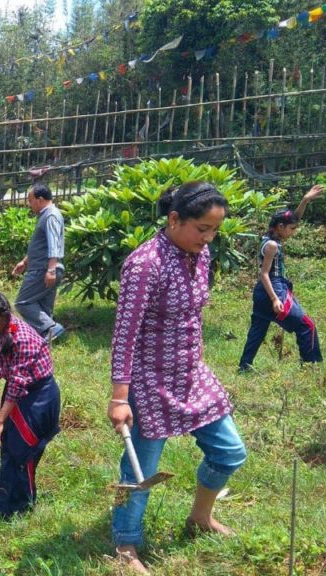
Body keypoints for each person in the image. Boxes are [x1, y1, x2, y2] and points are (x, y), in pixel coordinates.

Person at [109, 181, 248, 574]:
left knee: (230, 450)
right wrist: (120, 397)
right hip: (149, 381)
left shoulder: (198, 256)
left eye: (214, 230)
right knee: (140, 469)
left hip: (190, 371)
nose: (209, 238)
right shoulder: (144, 264)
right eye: (202, 229)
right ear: (174, 220)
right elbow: (124, 334)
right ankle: (125, 543)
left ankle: (200, 517)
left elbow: (192, 313)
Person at [0, 288, 61, 526]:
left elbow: (18, 385)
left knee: (21, 453)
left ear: (1, 318)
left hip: (37, 398)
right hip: (17, 396)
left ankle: (18, 507)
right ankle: (2, 504)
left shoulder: (23, 339)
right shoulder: (4, 334)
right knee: (9, 449)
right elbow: (1, 366)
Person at [238, 185, 325, 372]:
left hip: (261, 293)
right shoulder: (272, 246)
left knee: (257, 331)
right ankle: (310, 366)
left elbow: (293, 219)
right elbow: (264, 274)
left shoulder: (270, 237)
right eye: (292, 228)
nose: (294, 231)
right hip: (273, 289)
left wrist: (305, 200)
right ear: (280, 227)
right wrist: (275, 298)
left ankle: (244, 367)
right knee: (307, 325)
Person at [12, 182, 66, 341]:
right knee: (43, 306)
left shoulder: (51, 215)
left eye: (30, 201)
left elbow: (54, 244)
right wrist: (25, 262)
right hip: (43, 267)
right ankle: (44, 339)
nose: (30, 205)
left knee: (23, 302)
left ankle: (52, 328)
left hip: (43, 269)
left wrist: (50, 270)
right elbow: (42, 244)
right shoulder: (46, 215)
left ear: (40, 199)